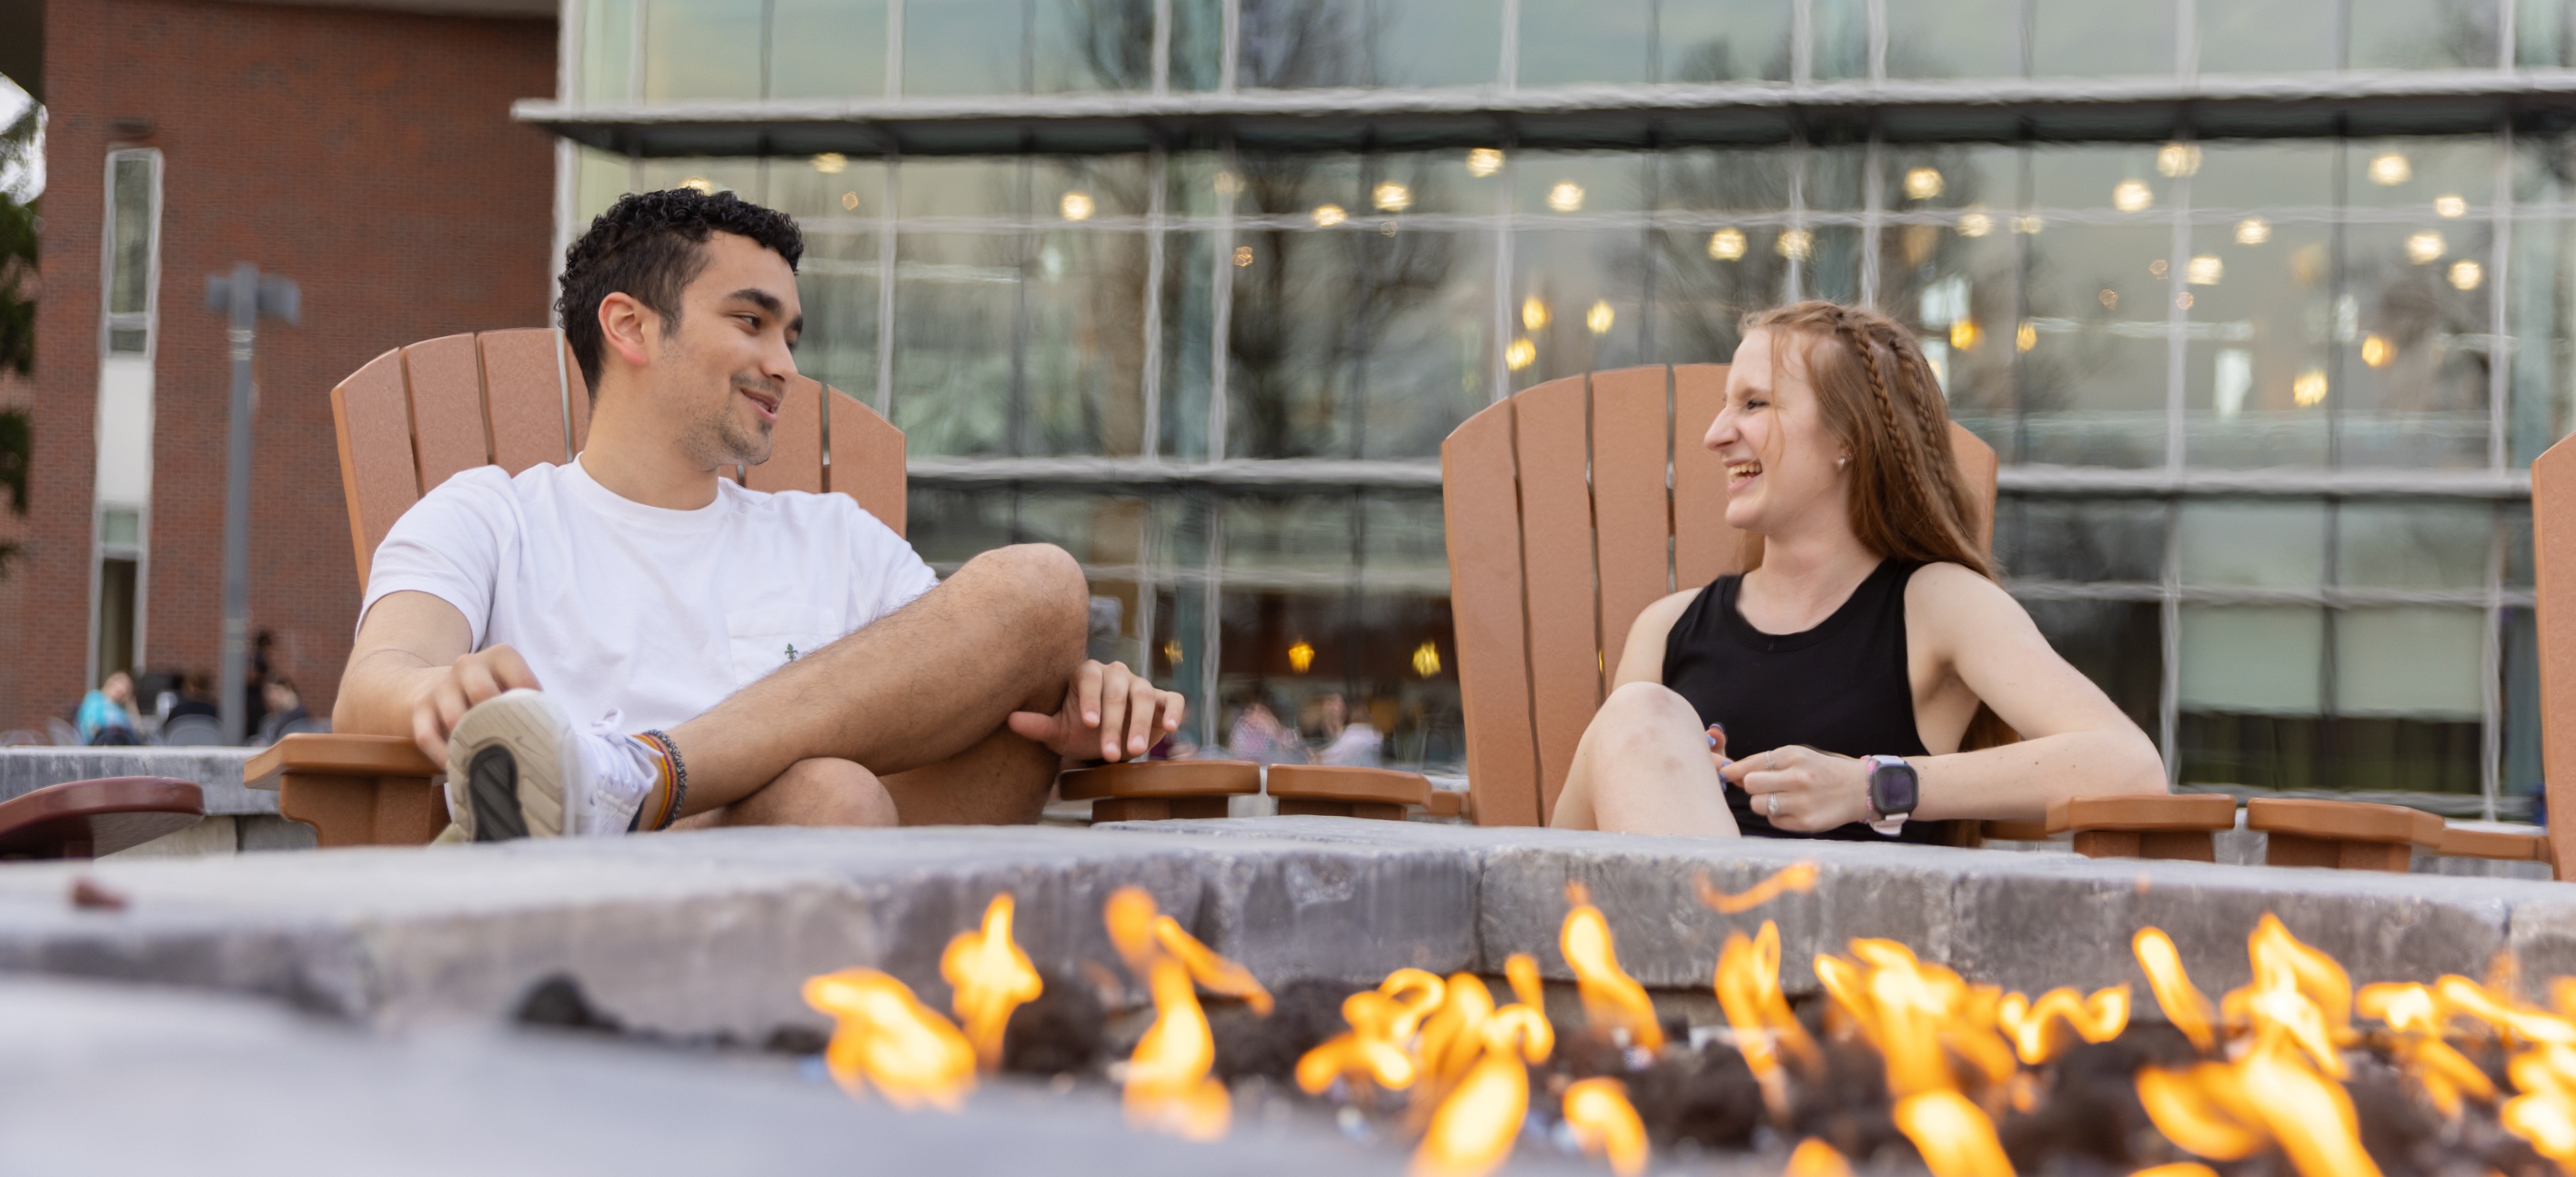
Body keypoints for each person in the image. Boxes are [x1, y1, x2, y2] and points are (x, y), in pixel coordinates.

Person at [333, 188, 1184, 841]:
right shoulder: (491, 516)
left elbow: (971, 684)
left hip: (835, 884)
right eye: (751, 321)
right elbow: (375, 681)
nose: (783, 364)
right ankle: (630, 790)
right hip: (572, 906)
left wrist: (1086, 706)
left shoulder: (835, 537)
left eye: (792, 337)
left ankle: (630, 778)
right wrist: (437, 691)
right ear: (629, 326)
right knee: (831, 797)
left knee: (1042, 586)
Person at [1548, 301, 2166, 841]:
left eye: (1755, 404)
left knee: (1637, 716)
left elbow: (2128, 767)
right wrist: (1666, 769)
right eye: (1725, 406)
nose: (1715, 435)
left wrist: (1869, 785)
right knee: (1639, 717)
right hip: (1666, 952)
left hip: (1851, 961)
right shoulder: (1669, 628)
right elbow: (1576, 860)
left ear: (1849, 435)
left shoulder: (1935, 606)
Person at [74, 671, 140, 746]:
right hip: (101, 742)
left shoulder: (120, 709)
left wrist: (130, 704)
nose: (119, 694)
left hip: (121, 744)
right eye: (118, 689)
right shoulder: (95, 698)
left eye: (124, 693)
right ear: (111, 684)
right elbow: (91, 726)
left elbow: (135, 728)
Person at [254, 678, 311, 746]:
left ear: (289, 691)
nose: (271, 696)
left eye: (277, 691)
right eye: (268, 691)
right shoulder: (269, 720)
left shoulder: (302, 719)